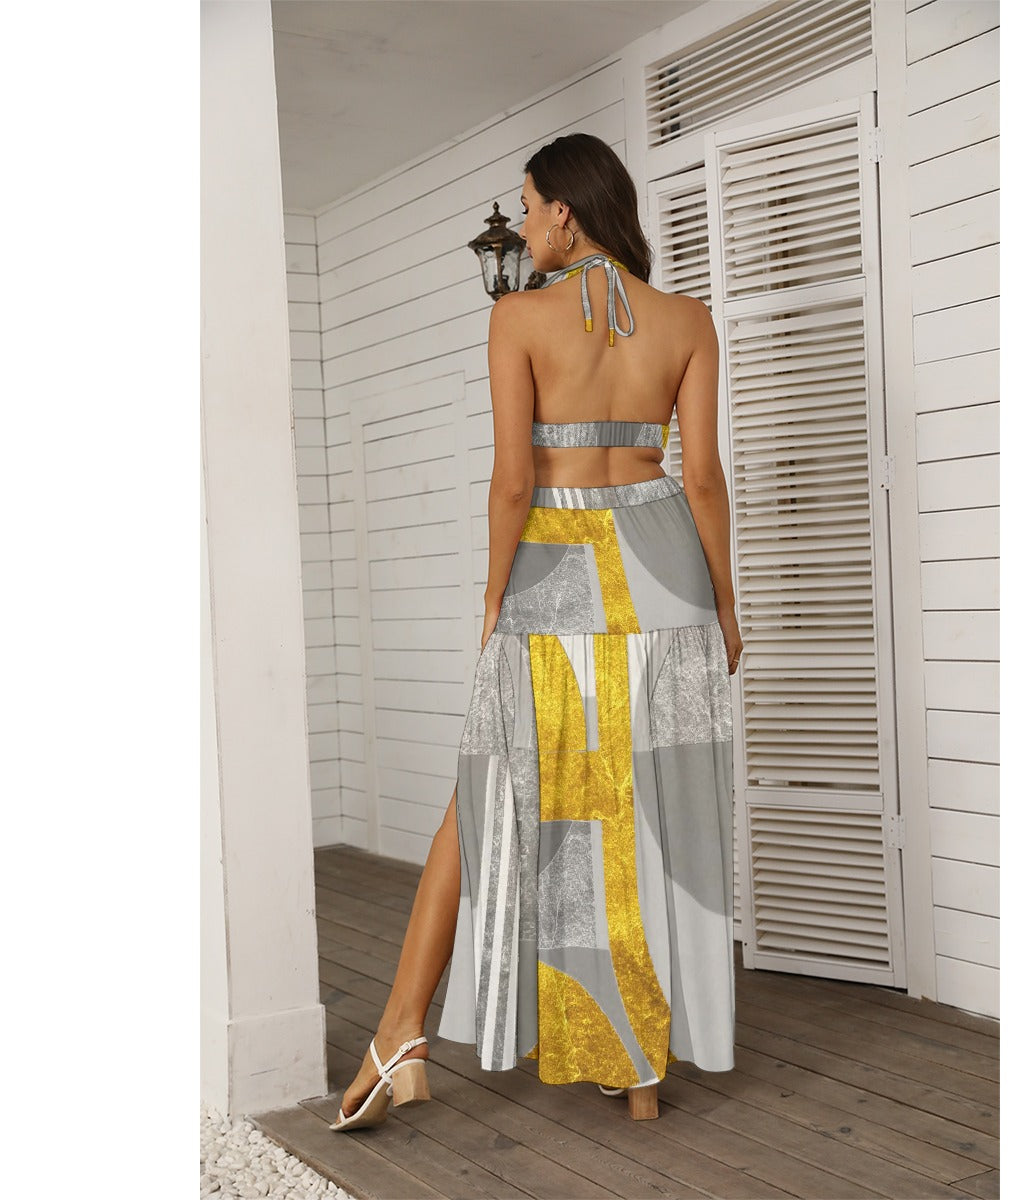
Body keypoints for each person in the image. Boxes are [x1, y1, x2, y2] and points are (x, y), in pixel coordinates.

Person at [330, 132, 743, 1131]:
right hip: (668, 581)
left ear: (565, 210)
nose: (520, 226)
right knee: (642, 809)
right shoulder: (688, 320)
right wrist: (727, 606)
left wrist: (492, 596)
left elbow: (515, 479)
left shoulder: (518, 316)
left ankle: (402, 1035)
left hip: (555, 575)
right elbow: (699, 477)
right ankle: (634, 1066)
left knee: (494, 797)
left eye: (526, 206)